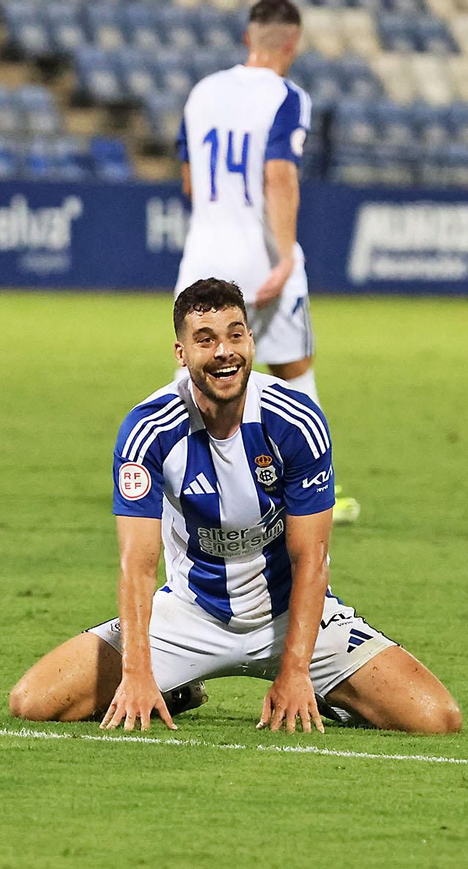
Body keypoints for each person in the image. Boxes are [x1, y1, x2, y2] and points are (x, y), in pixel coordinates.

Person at [9, 279, 462, 735]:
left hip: (290, 618)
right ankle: (175, 687)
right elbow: (137, 565)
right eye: (205, 340)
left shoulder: (295, 420)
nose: (224, 351)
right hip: (188, 615)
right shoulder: (149, 429)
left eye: (235, 334)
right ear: (181, 354)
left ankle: (322, 693)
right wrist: (138, 674)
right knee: (33, 701)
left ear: (250, 339)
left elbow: (311, 558)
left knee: (435, 719)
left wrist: (297, 670)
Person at [175, 0, 358, 524]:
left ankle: (183, 484)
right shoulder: (287, 97)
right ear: (292, 44)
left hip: (203, 253)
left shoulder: (202, 92)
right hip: (259, 257)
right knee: (294, 369)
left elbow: (189, 180)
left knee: (195, 373)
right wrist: (284, 256)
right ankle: (320, 489)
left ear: (247, 37)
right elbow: (279, 173)